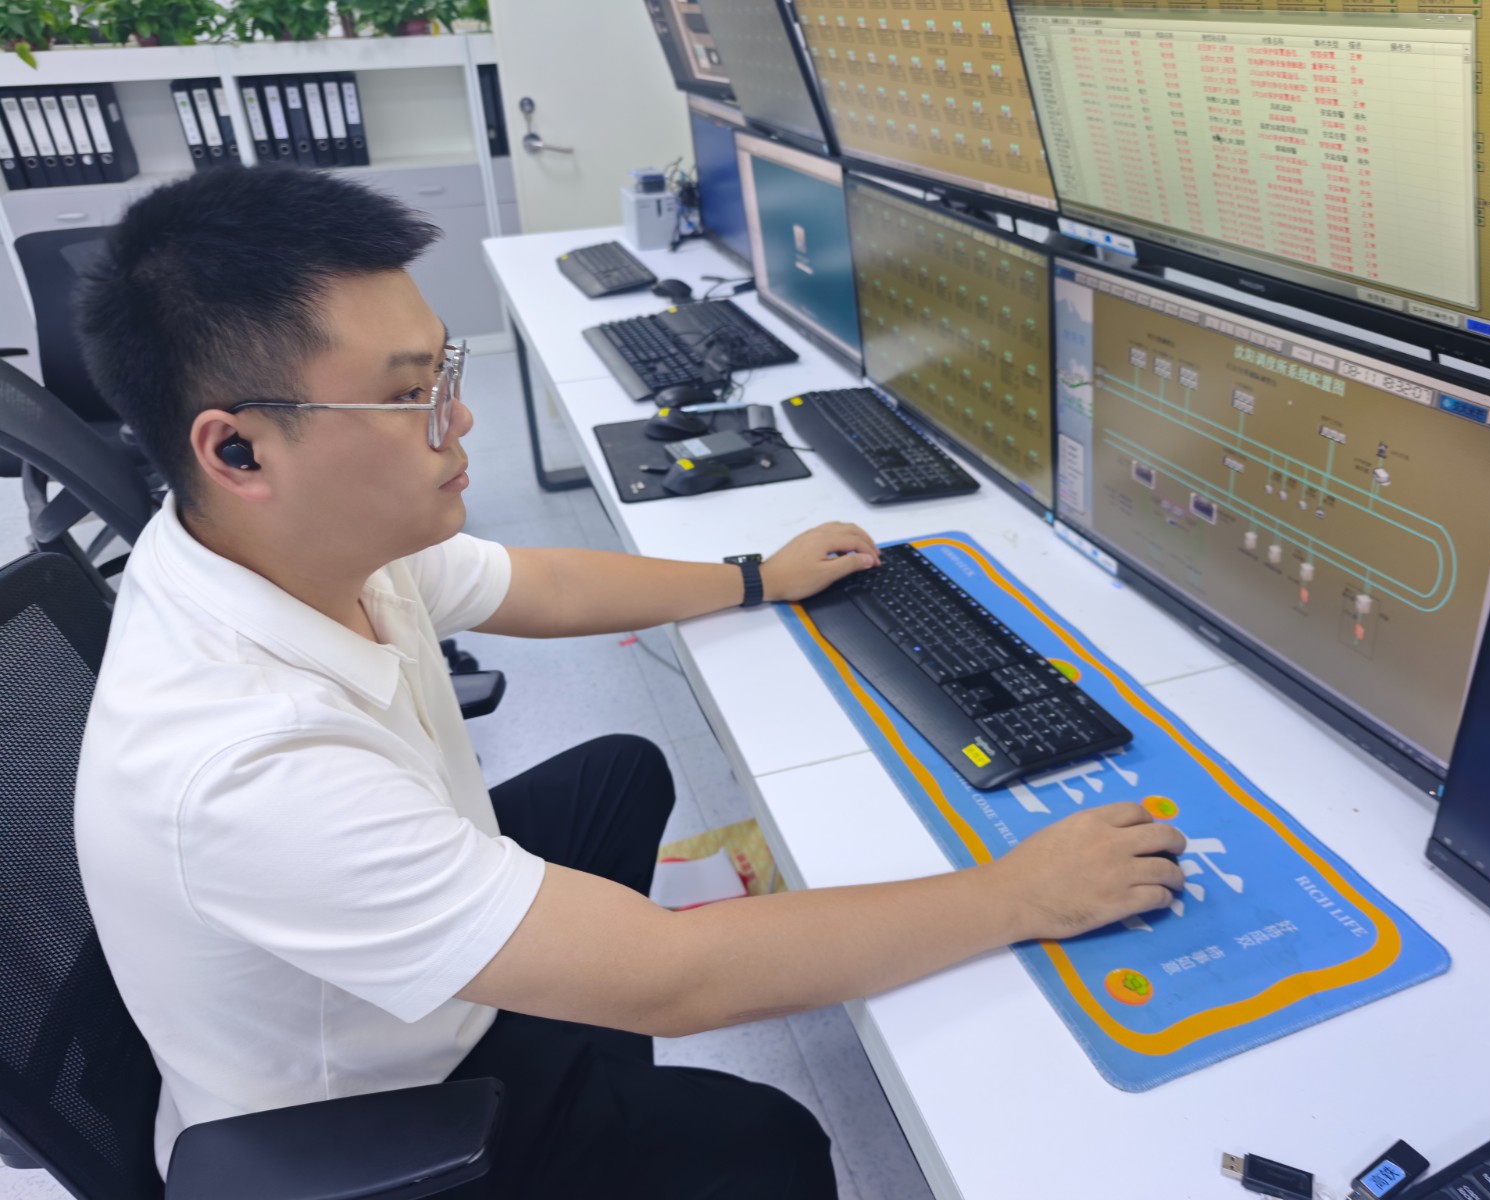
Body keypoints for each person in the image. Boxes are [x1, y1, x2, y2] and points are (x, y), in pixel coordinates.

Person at [73, 166, 1186, 1199]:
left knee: (621, 774)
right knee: (764, 1145)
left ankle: (584, 1026)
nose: (458, 418)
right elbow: (676, 979)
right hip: (381, 1111)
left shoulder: (285, 537)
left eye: (445, 371)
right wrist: (1021, 896)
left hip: (397, 990)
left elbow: (538, 582)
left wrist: (755, 577)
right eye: (411, 394)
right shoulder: (249, 764)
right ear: (238, 451)